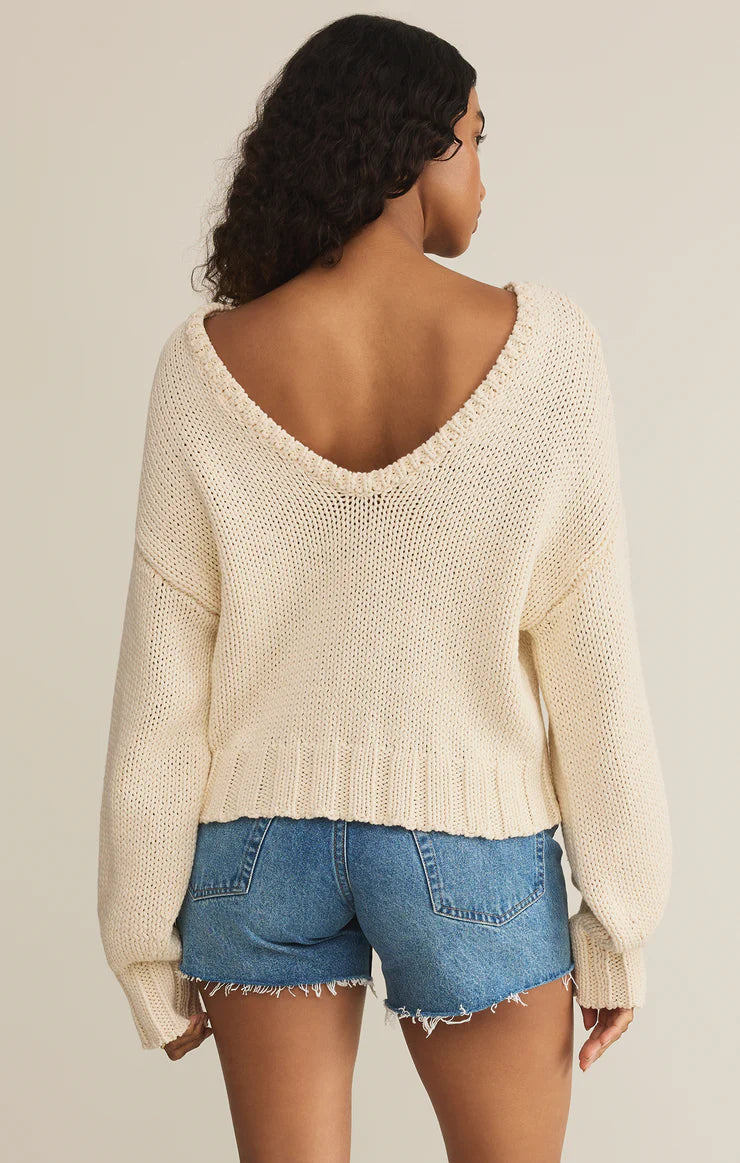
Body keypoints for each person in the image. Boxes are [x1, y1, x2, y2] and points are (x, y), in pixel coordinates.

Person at [97, 13, 672, 1162]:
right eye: (472, 139)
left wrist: (142, 946)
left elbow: (163, 681)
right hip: (470, 840)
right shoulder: (545, 349)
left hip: (255, 852)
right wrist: (620, 919)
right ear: (409, 149)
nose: (482, 175)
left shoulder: (205, 362)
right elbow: (590, 649)